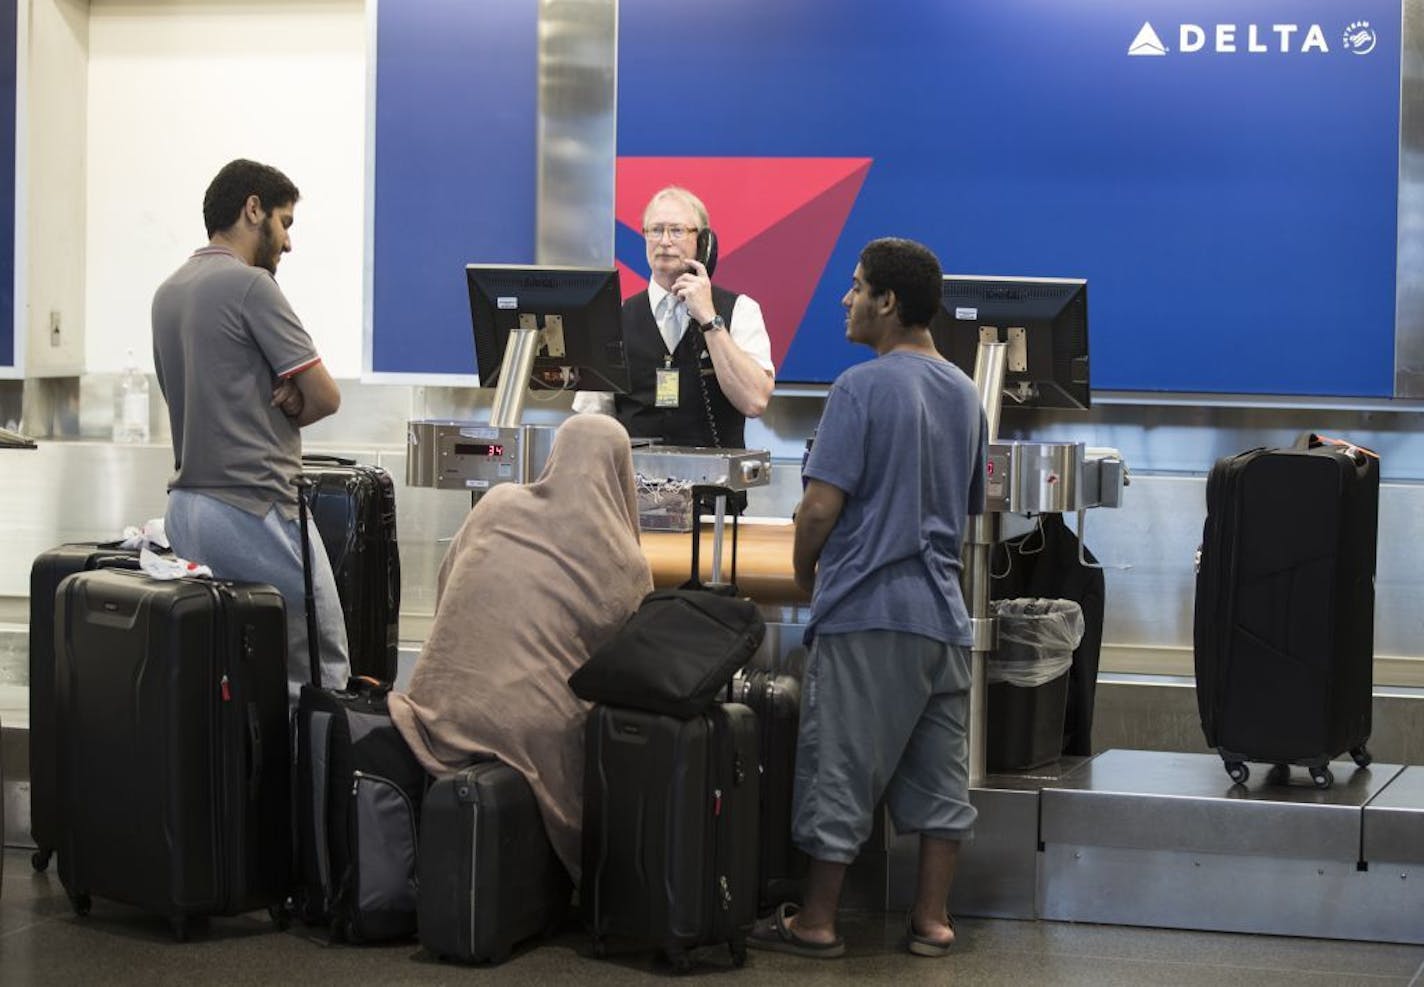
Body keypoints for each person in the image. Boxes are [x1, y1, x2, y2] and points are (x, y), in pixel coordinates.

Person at [749, 238, 987, 960]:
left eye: (855, 288)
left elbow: (821, 505)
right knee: (940, 776)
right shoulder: (966, 392)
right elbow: (963, 505)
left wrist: (801, 569)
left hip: (866, 611)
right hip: (941, 618)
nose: (845, 300)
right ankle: (933, 919)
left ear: (888, 301)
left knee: (839, 767)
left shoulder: (860, 386)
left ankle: (817, 920)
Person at [388, 414, 654, 881]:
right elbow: (620, 670)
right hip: (529, 733)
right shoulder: (625, 563)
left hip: (436, 706)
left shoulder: (497, 503)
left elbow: (448, 583)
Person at [152, 158, 350, 705]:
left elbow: (203, 395)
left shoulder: (168, 292)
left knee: (228, 681)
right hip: (253, 507)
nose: (287, 243)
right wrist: (293, 401)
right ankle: (311, 792)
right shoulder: (250, 287)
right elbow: (327, 396)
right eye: (285, 223)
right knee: (317, 670)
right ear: (253, 209)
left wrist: (277, 392)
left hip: (187, 512)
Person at [573, 185, 774, 449]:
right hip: (633, 483)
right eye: (655, 230)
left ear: (703, 243)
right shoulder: (615, 318)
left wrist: (709, 320)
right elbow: (591, 421)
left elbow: (754, 401)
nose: (664, 241)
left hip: (715, 484)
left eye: (677, 230)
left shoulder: (740, 310)